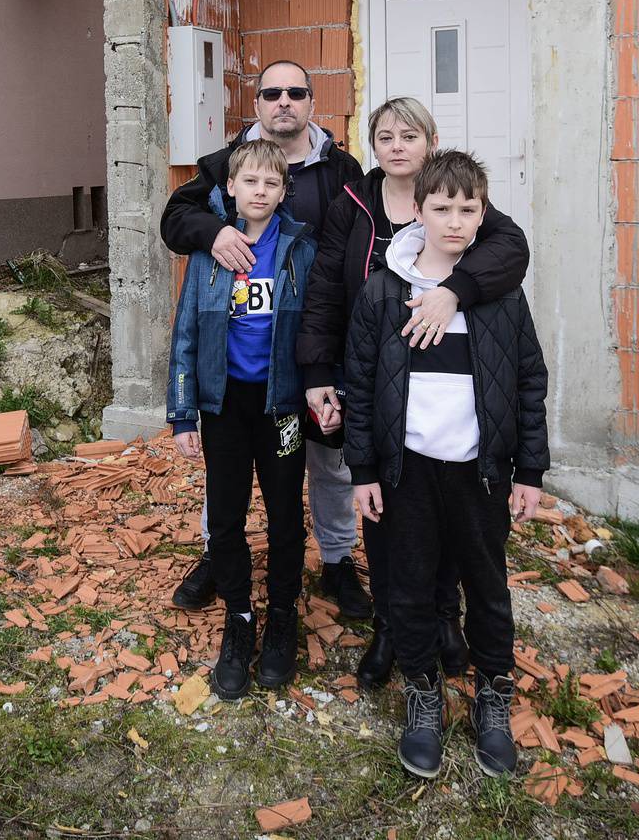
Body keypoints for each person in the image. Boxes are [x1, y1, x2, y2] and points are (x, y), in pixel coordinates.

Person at [297, 98, 530, 691]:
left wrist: (455, 291)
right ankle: (392, 626)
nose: (397, 145)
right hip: (376, 373)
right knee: (392, 519)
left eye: (410, 134)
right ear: (372, 145)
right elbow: (325, 287)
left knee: (447, 509)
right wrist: (320, 369)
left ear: (430, 141)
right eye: (384, 135)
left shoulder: (458, 202)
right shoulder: (354, 203)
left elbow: (512, 252)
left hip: (450, 390)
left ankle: (445, 619)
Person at [342, 150, 549, 780]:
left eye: (469, 208)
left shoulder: (499, 297)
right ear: (418, 211)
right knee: (405, 586)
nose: (456, 221)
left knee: (485, 587)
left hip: (478, 472)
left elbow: (528, 383)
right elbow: (360, 383)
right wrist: (365, 471)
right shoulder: (384, 291)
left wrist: (530, 473)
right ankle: (423, 697)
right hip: (405, 472)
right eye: (442, 207)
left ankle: (492, 698)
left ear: (484, 213)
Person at [159, 59, 374, 619]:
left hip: (316, 350)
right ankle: (218, 555)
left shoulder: (342, 169)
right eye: (271, 92)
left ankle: (335, 559)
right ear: (256, 105)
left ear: (310, 102)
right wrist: (216, 230)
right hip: (242, 366)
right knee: (226, 474)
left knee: (328, 463)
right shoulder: (225, 164)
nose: (284, 101)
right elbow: (175, 217)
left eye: (296, 92)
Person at [166, 139, 317, 700]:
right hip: (224, 405)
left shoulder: (300, 249)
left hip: (281, 405)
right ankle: (239, 616)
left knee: (283, 513)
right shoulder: (210, 253)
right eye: (250, 182)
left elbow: (317, 324)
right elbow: (185, 337)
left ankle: (281, 614)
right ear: (230, 188)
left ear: (284, 192)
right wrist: (183, 414)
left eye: (272, 184)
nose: (260, 191)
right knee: (225, 515)